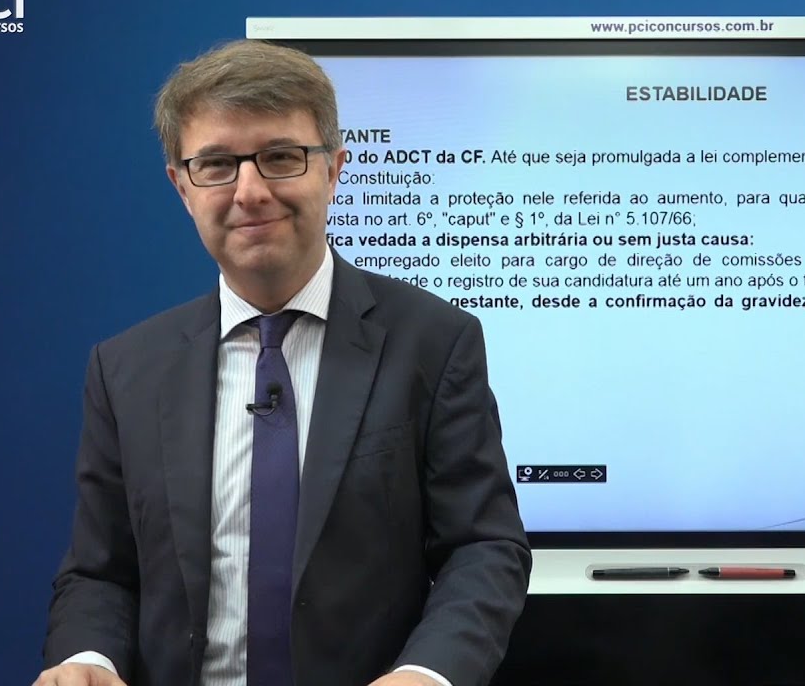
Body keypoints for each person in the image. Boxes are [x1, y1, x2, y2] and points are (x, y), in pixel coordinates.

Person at [34, 39, 532, 686]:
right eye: (217, 164)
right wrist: (86, 659)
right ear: (181, 186)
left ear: (333, 169)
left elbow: (483, 547)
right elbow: (99, 572)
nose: (250, 191)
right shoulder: (126, 368)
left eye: (279, 157)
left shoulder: (434, 343)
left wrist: (427, 673)